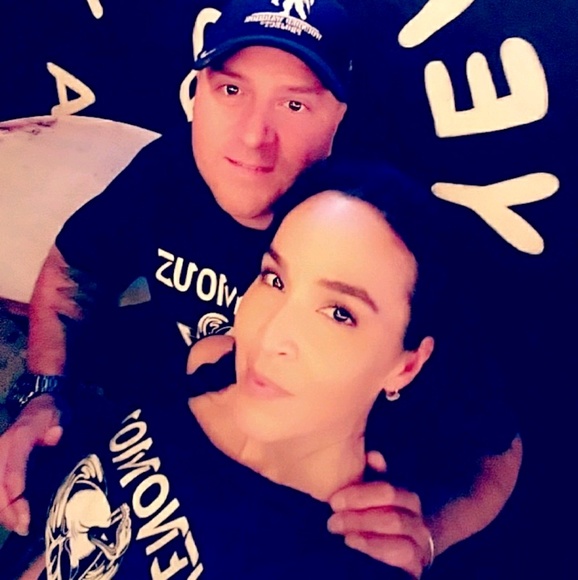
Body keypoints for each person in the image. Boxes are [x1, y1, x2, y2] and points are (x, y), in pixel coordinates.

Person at [0, 0, 521, 576]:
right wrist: (43, 394)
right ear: (198, 91)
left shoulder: (382, 244)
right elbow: (74, 272)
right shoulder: (170, 172)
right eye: (231, 90)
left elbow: (496, 451)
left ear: (340, 116)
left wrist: (426, 535)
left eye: (294, 103)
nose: (252, 137)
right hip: (166, 443)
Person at [21, 163, 515, 580]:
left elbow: (500, 448)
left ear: (406, 365)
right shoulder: (210, 362)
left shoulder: (343, 559)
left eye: (339, 313)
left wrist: (434, 533)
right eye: (275, 279)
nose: (271, 335)